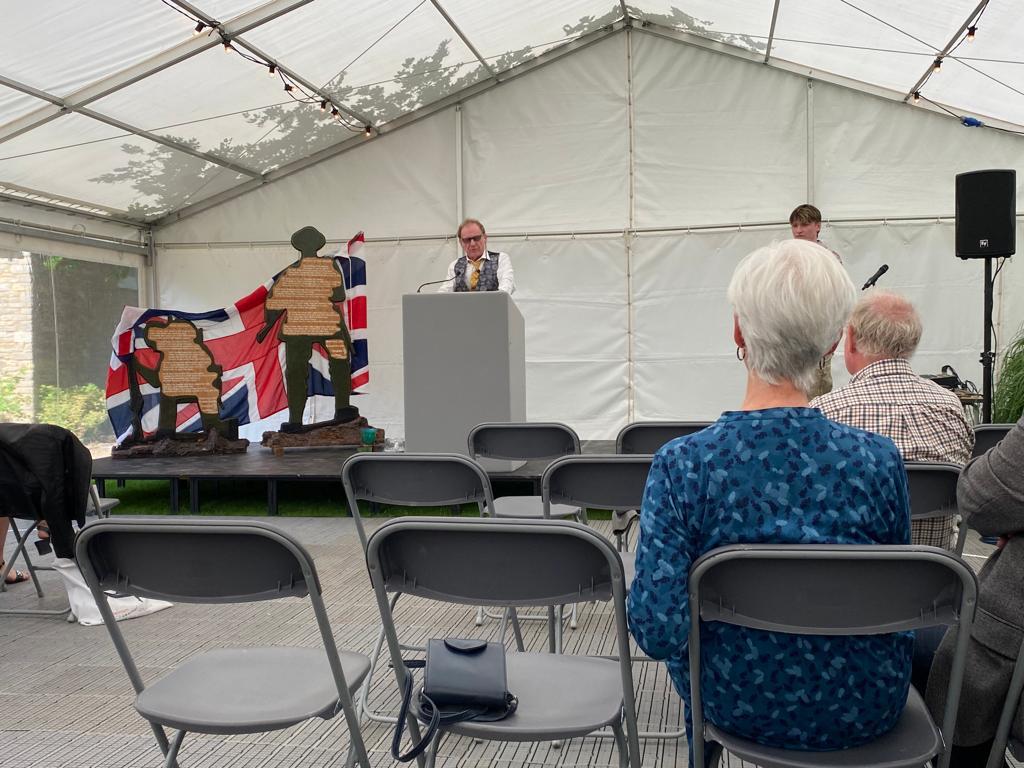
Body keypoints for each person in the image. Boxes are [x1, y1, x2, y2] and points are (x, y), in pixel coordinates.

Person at [628, 239, 912, 766]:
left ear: (738, 331)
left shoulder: (684, 465)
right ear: (833, 342)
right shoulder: (878, 461)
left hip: (732, 703)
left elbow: (657, 629)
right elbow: (900, 606)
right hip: (864, 706)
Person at [813, 291, 974, 549]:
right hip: (933, 570)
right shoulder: (952, 407)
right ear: (913, 341)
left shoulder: (824, 413)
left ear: (850, 339)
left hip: (852, 570)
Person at [925, 416, 1024, 768]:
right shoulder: (949, 408)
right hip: (938, 584)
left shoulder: (832, 409)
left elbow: (983, 499)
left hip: (1005, 650)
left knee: (949, 671)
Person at [261, 225, 358, 431]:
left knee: (296, 373)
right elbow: (338, 295)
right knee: (340, 364)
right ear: (318, 245)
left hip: (298, 327)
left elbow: (274, 304)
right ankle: (342, 408)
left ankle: (295, 420)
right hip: (328, 324)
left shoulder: (290, 273)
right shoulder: (329, 266)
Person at [790, 203, 840, 398]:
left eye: (804, 225)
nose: (798, 230)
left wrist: (830, 342)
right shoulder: (784, 257)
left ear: (817, 226)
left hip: (817, 342)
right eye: (795, 225)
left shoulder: (829, 259)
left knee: (815, 400)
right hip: (788, 344)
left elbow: (835, 303)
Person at [437, 218, 515, 294]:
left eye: (476, 238)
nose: (472, 244)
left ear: (485, 238)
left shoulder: (501, 259)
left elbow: (506, 287)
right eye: (467, 240)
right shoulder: (454, 265)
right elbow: (444, 291)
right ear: (461, 242)